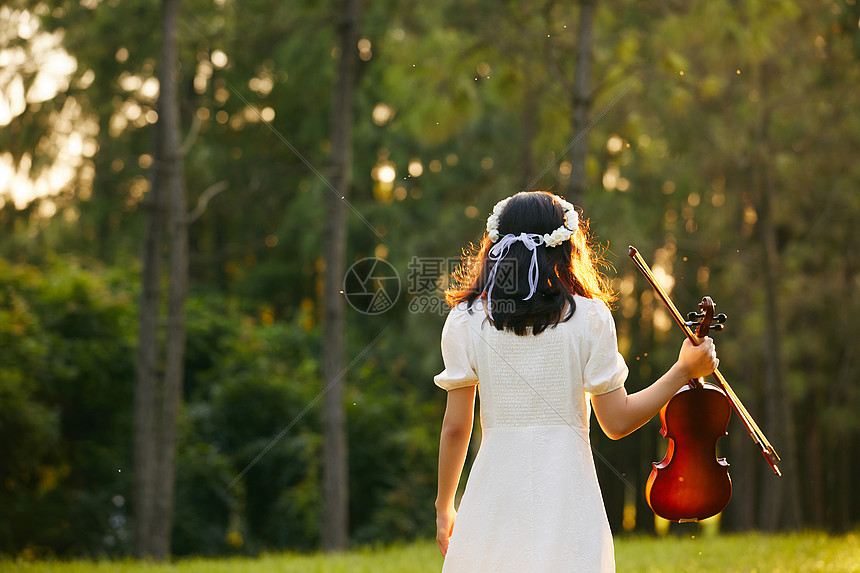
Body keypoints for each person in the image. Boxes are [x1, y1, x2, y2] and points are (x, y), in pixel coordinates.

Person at [433, 191, 718, 572]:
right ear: (565, 247)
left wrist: (444, 505)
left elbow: (456, 427)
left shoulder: (465, 320)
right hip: (568, 490)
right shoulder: (590, 317)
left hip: (495, 491)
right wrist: (682, 370)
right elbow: (616, 422)